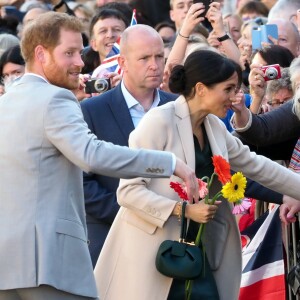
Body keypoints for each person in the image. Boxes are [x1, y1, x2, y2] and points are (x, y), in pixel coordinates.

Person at [0, 11, 200, 300]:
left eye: (79, 52)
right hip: (47, 262)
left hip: (8, 264)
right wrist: (167, 162)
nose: (80, 62)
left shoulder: (8, 100)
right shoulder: (56, 99)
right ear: (41, 54)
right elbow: (92, 154)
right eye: (69, 53)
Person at [94, 49, 300, 300]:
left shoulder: (213, 126)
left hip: (199, 251)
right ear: (201, 88)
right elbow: (128, 191)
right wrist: (183, 210)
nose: (235, 98)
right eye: (229, 89)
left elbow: (255, 165)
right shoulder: (158, 122)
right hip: (154, 253)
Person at [80, 24, 178, 267]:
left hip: (172, 239)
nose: (154, 65)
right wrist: (134, 212)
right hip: (111, 236)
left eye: (159, 56)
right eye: (144, 58)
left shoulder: (178, 108)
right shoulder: (92, 110)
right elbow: (82, 181)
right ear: (122, 62)